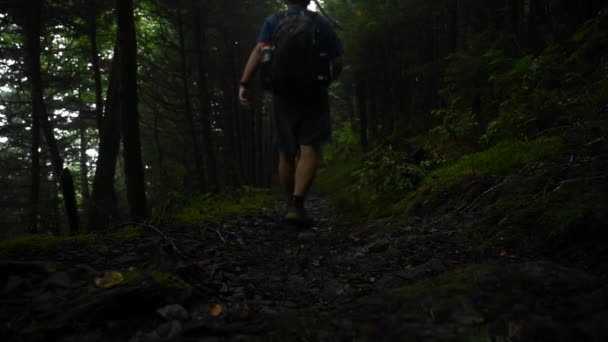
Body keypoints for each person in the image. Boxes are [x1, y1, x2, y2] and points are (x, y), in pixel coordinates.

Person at [239, 0, 343, 226]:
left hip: (282, 94)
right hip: (313, 93)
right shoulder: (320, 23)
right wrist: (326, 81)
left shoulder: (273, 21)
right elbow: (338, 61)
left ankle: (289, 204)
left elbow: (259, 51)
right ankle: (298, 203)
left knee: (286, 152)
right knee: (310, 148)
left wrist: (244, 83)